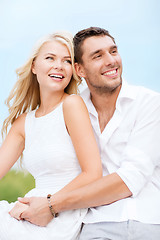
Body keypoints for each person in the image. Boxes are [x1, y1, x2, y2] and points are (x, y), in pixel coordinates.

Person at [16, 27, 160, 239]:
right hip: (93, 225)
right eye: (98, 56)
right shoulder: (71, 109)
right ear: (80, 70)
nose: (111, 61)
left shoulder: (149, 103)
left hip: (145, 221)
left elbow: (130, 179)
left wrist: (50, 204)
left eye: (113, 51)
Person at [0, 31, 103, 240]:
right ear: (34, 66)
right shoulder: (22, 123)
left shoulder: (71, 105)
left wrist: (49, 204)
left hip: (63, 212)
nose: (59, 65)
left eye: (67, 61)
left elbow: (93, 173)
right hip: (32, 209)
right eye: (50, 58)